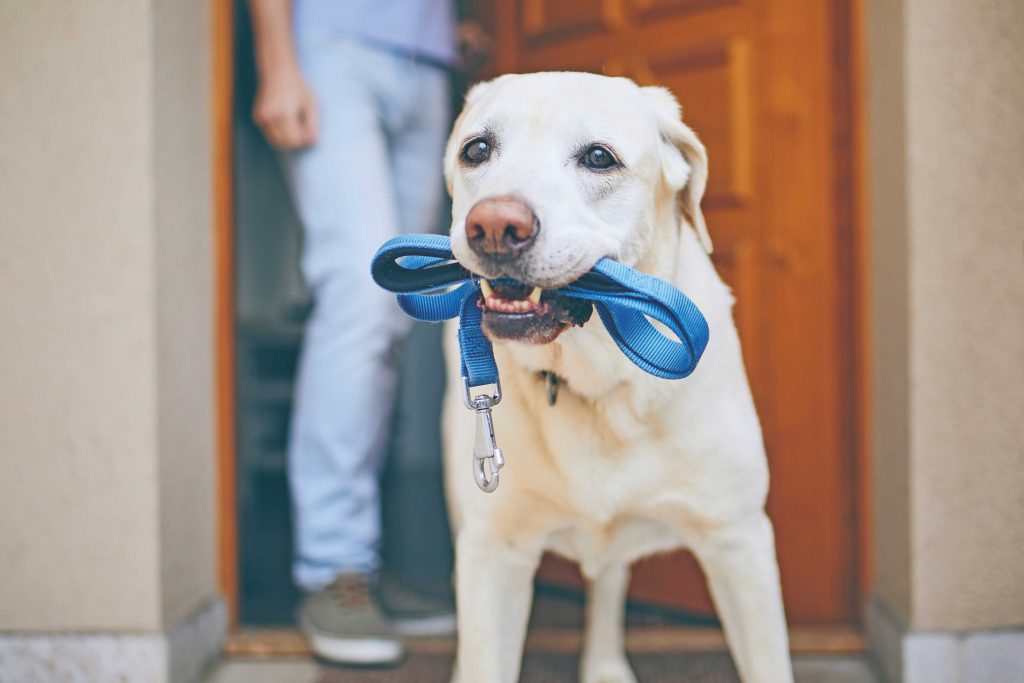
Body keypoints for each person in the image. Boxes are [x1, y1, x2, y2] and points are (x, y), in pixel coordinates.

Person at [247, 0, 481, 666]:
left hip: (430, 65)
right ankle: (333, 567)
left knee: (403, 308)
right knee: (361, 299)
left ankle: (366, 566)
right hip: (331, 47)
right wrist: (277, 58)